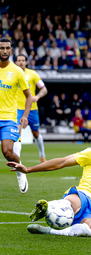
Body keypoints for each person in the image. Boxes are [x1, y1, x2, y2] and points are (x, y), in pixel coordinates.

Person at [0, 38, 32, 193]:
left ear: (11, 50)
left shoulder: (17, 72)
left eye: (7, 48)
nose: (4, 51)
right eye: (1, 48)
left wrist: (25, 116)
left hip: (8, 118)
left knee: (7, 152)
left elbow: (29, 97)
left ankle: (20, 171)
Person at [14, 54, 48, 165]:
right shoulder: (12, 74)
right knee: (17, 133)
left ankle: (42, 156)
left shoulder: (33, 74)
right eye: (18, 60)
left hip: (32, 109)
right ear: (15, 62)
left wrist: (37, 97)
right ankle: (17, 160)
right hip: (18, 109)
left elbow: (44, 89)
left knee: (36, 134)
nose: (21, 62)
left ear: (26, 63)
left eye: (23, 60)